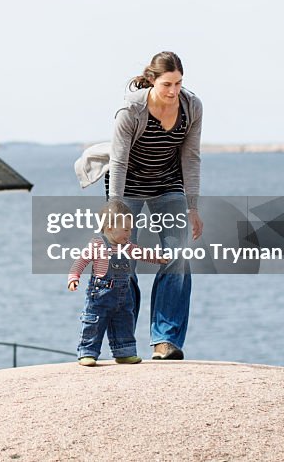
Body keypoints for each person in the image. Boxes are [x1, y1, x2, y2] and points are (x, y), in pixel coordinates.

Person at [106, 51, 204, 360]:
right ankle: (123, 341)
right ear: (152, 81)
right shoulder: (130, 111)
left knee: (177, 255)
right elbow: (118, 162)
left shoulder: (191, 107)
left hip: (168, 185)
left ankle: (166, 340)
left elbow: (190, 157)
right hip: (128, 187)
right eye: (166, 84)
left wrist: (192, 207)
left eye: (178, 83)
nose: (173, 91)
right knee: (124, 263)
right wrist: (115, 207)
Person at [68, 199, 168, 366]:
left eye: (131, 230)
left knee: (124, 321)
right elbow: (81, 261)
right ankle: (87, 352)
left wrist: (158, 258)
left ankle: (124, 352)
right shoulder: (97, 244)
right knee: (94, 322)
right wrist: (74, 277)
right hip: (99, 295)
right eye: (126, 230)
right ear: (109, 228)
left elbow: (141, 253)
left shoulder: (126, 246)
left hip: (123, 295)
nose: (129, 234)